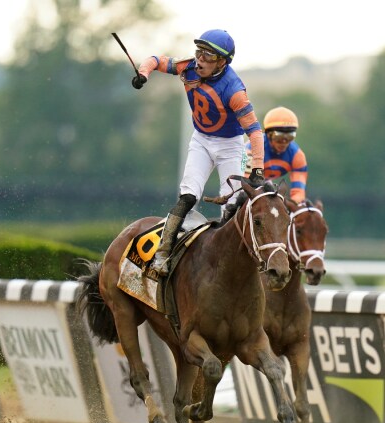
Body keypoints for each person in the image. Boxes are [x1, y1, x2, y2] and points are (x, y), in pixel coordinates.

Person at [132, 29, 265, 276]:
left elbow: (255, 132)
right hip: (201, 140)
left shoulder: (235, 90)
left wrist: (257, 168)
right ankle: (162, 254)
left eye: (208, 56)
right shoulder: (189, 67)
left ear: (222, 62)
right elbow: (156, 60)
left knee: (233, 204)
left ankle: (230, 263)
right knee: (188, 196)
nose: (200, 60)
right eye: (199, 52)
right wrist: (143, 74)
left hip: (230, 146)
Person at [245, 106, 308, 204]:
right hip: (243, 179)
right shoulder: (252, 149)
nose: (284, 141)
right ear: (268, 134)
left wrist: (290, 205)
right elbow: (247, 184)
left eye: (290, 137)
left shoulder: (298, 156)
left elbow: (299, 193)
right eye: (279, 136)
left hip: (265, 181)